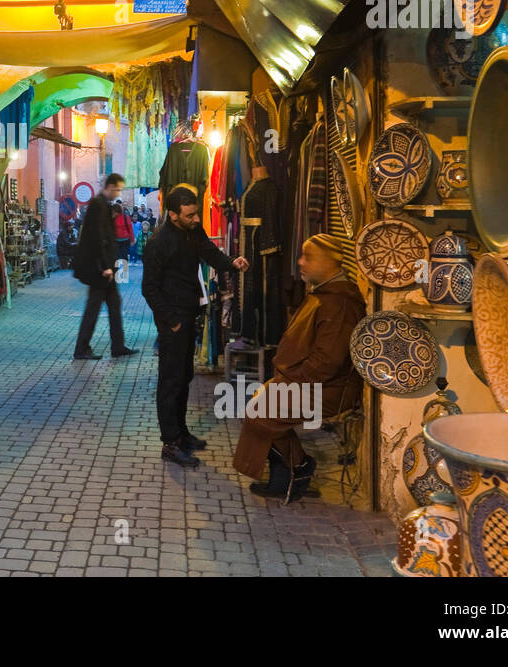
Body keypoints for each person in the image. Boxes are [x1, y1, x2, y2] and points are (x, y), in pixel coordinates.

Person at [232, 233, 365, 503]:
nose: (301, 263)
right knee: (259, 407)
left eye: (308, 257)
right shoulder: (325, 294)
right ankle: (290, 472)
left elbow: (327, 362)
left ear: (330, 263)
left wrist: (290, 381)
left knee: (262, 414)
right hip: (308, 381)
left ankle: (299, 466)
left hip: (329, 390)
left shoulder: (339, 302)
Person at [141, 186, 248, 466]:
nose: (197, 219)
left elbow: (209, 253)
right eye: (189, 215)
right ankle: (170, 443)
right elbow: (149, 288)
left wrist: (232, 264)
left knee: (185, 376)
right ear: (173, 215)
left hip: (188, 315)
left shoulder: (193, 232)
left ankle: (181, 433)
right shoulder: (158, 243)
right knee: (170, 381)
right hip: (173, 321)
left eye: (196, 214)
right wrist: (171, 321)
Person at [72, 173, 136, 360]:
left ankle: (117, 346)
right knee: (93, 308)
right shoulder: (98, 205)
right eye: (117, 189)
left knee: (114, 305)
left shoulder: (103, 205)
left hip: (104, 268)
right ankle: (82, 348)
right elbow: (97, 238)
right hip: (99, 269)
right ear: (109, 186)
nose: (118, 193)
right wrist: (104, 267)